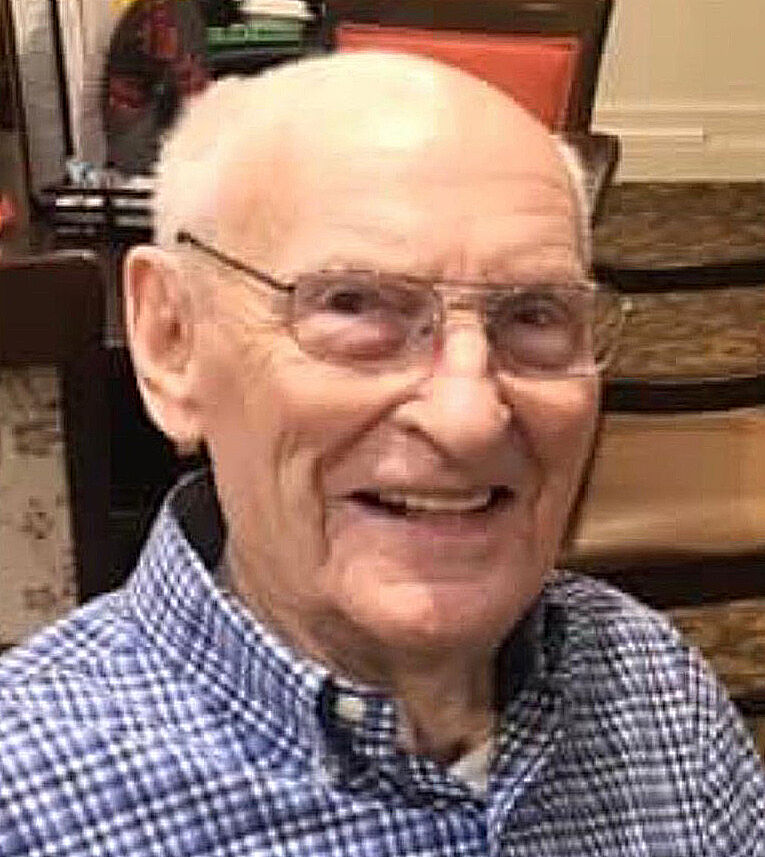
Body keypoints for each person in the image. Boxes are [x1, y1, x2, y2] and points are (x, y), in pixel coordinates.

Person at [1, 52, 763, 856]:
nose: (468, 418)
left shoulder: (652, 685)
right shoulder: (27, 801)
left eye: (534, 314)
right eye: (354, 305)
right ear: (172, 341)